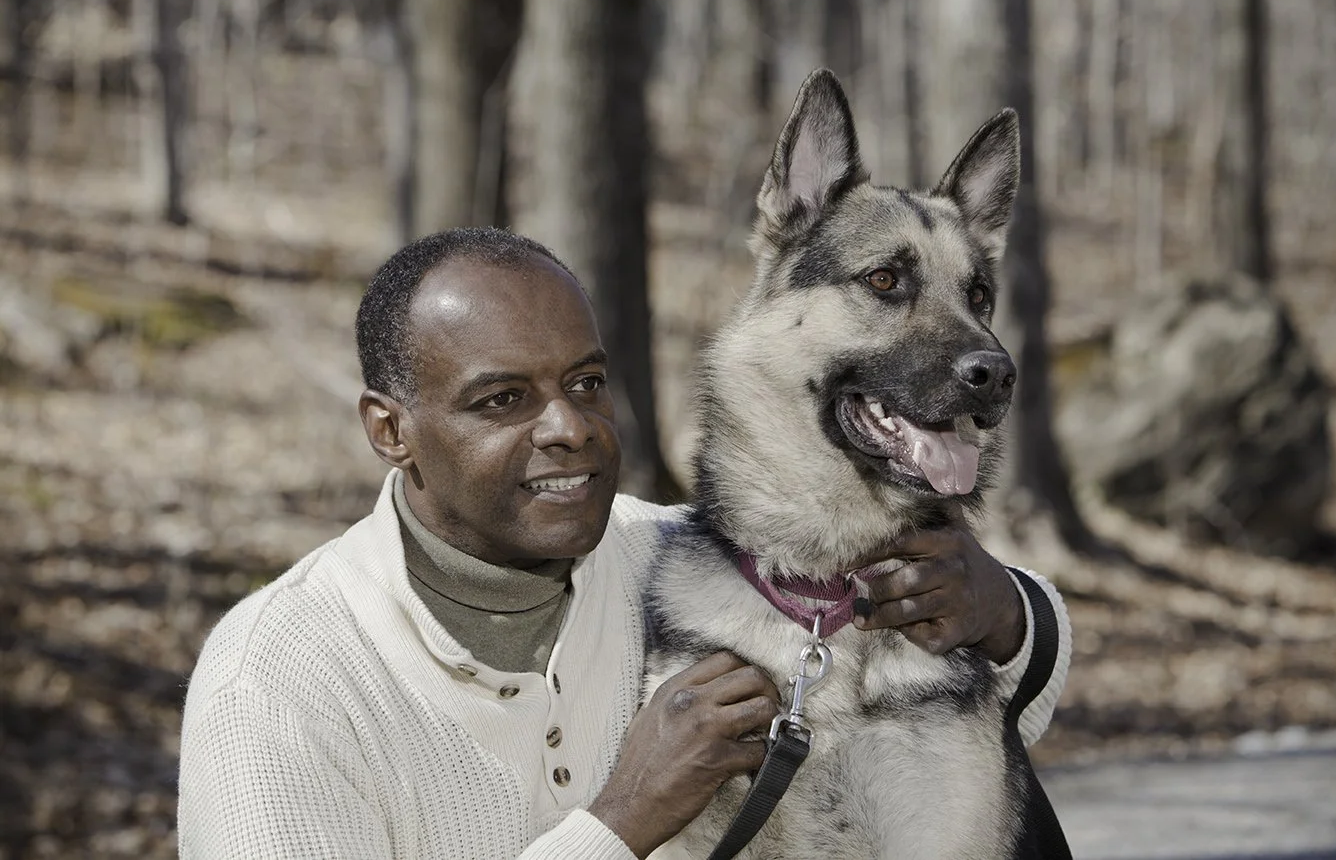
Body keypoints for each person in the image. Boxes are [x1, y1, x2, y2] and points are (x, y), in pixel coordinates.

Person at [178, 227, 1071, 859]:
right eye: (502, 400)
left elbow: (950, 731)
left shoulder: (678, 562)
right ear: (390, 430)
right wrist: (620, 820)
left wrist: (1009, 614)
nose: (569, 427)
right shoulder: (281, 677)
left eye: (587, 382)